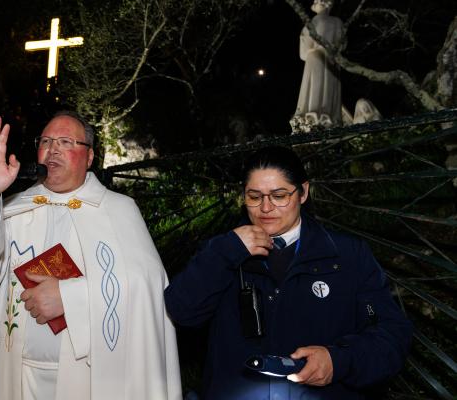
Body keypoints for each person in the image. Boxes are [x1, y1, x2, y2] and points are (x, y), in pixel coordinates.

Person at [0, 111, 181, 400]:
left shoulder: (118, 209)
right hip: (14, 374)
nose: (53, 149)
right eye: (46, 141)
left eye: (66, 142)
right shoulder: (10, 209)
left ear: (90, 157)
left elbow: (147, 286)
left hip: (89, 378)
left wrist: (69, 298)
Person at [164, 146, 413, 399]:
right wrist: (225, 252)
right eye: (254, 196)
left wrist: (338, 360)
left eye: (279, 195)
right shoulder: (221, 252)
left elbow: (391, 335)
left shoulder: (347, 255)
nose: (265, 207)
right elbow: (182, 311)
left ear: (303, 192)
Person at [290, 0, 343, 132]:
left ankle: (311, 120)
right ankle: (327, 119)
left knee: (313, 90)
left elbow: (303, 53)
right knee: (327, 90)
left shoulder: (312, 23)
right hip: (332, 59)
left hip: (315, 57)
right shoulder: (338, 22)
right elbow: (342, 44)